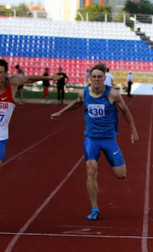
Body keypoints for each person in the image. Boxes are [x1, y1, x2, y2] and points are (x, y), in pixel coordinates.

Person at [50, 62, 139, 220]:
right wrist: (60, 112)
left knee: (121, 175)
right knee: (91, 170)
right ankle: (94, 208)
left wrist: (133, 130)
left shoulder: (112, 94)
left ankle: (111, 162)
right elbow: (77, 103)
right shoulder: (84, 93)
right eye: (94, 77)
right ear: (89, 78)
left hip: (109, 139)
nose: (97, 79)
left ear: (105, 78)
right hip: (91, 139)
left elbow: (125, 111)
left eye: (99, 77)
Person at [0, 59, 59, 170]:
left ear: (5, 73)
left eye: (0, 72)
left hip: (1, 138)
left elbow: (28, 79)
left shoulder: (12, 84)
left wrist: (48, 78)